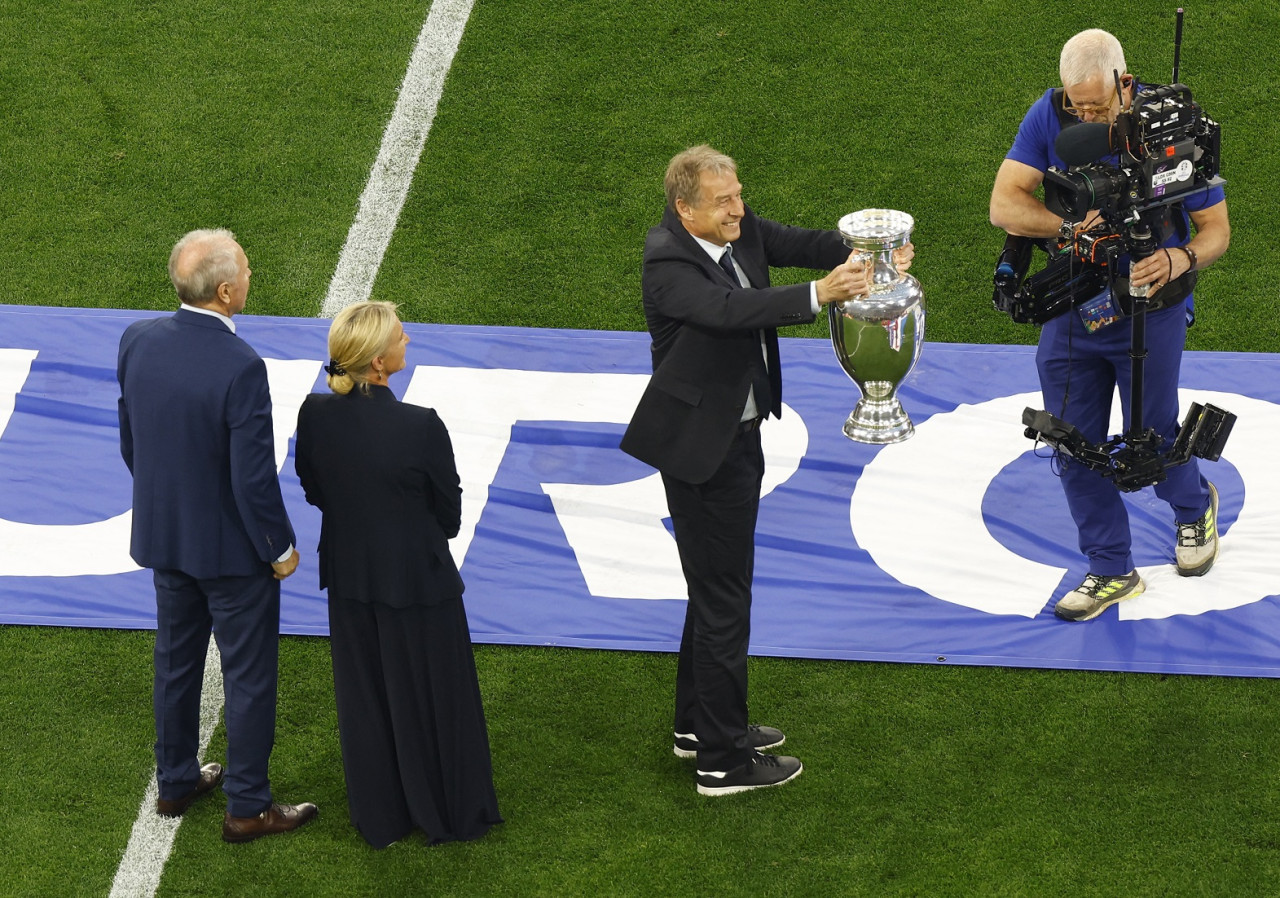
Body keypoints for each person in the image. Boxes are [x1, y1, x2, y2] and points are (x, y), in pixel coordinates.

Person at [620, 145, 912, 795]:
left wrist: (872, 253)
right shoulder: (666, 261)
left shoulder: (738, 229)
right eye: (722, 201)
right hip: (705, 452)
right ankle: (722, 762)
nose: (739, 209)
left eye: (739, 195)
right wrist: (819, 295)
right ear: (684, 208)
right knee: (726, 603)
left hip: (732, 436)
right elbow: (728, 313)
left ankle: (698, 725)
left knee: (713, 592)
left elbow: (810, 243)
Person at [990, 29, 1231, 622]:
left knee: (1153, 435)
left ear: (1126, 82)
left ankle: (1193, 507)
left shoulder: (1170, 124)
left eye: (1098, 106)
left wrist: (1181, 257)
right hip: (1074, 303)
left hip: (1151, 308)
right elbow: (1005, 205)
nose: (1087, 117)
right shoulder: (1049, 115)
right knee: (1071, 440)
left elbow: (1216, 229)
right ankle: (1110, 567)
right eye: (1079, 107)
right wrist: (1071, 230)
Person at [117, 228, 317, 842]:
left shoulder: (137, 340)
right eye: (248, 271)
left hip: (165, 540)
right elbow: (253, 480)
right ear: (227, 291)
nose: (251, 278)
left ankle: (175, 781)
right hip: (232, 556)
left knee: (176, 663)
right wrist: (280, 549)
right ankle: (248, 806)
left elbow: (133, 445)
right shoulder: (241, 366)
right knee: (248, 676)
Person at [294, 301, 501, 847]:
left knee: (368, 698)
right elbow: (450, 518)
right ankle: (451, 811)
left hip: (349, 579)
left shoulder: (313, 414)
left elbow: (314, 488)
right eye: (401, 338)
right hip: (420, 585)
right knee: (435, 699)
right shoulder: (420, 426)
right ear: (380, 364)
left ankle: (382, 815)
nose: (408, 340)